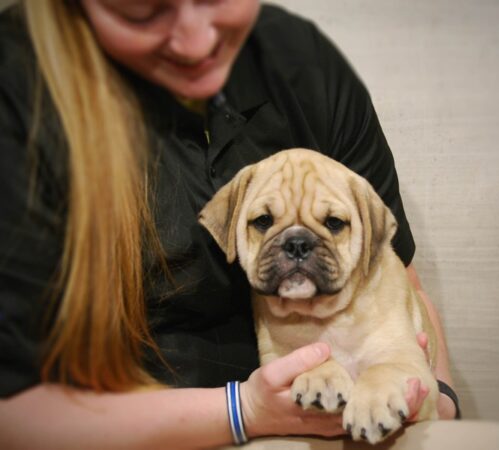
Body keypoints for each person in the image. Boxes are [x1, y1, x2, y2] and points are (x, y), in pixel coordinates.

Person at [0, 0, 458, 448]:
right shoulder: (20, 83)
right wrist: (245, 411)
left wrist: (438, 400)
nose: (195, 38)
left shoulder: (309, 67)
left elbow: (401, 284)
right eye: (143, 9)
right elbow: (12, 411)